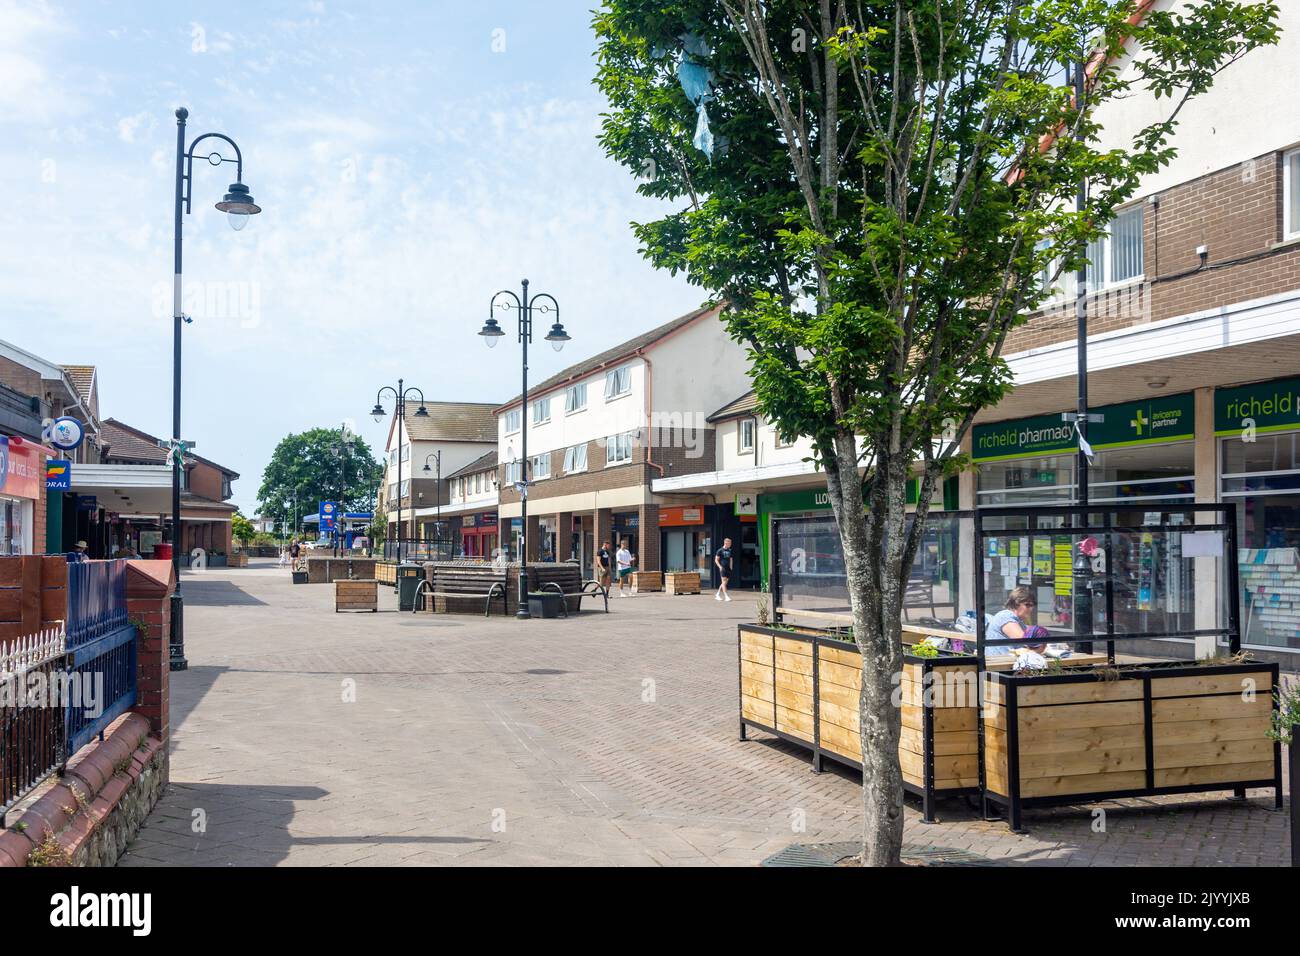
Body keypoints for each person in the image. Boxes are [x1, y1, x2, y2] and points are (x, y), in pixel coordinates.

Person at [986, 586, 1047, 658]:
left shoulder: (1019, 622)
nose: (1031, 608)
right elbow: (1024, 640)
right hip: (998, 663)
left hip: (1008, 662)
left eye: (1032, 605)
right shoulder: (1005, 616)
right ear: (1016, 603)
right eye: (1027, 605)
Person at [714, 537, 734, 602]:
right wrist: (720, 567)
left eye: (730, 543)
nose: (730, 544)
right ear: (725, 542)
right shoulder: (720, 550)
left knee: (724, 583)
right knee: (723, 582)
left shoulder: (729, 550)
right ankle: (726, 596)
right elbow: (716, 560)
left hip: (728, 568)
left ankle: (717, 594)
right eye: (729, 543)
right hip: (723, 568)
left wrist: (731, 567)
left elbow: (731, 559)